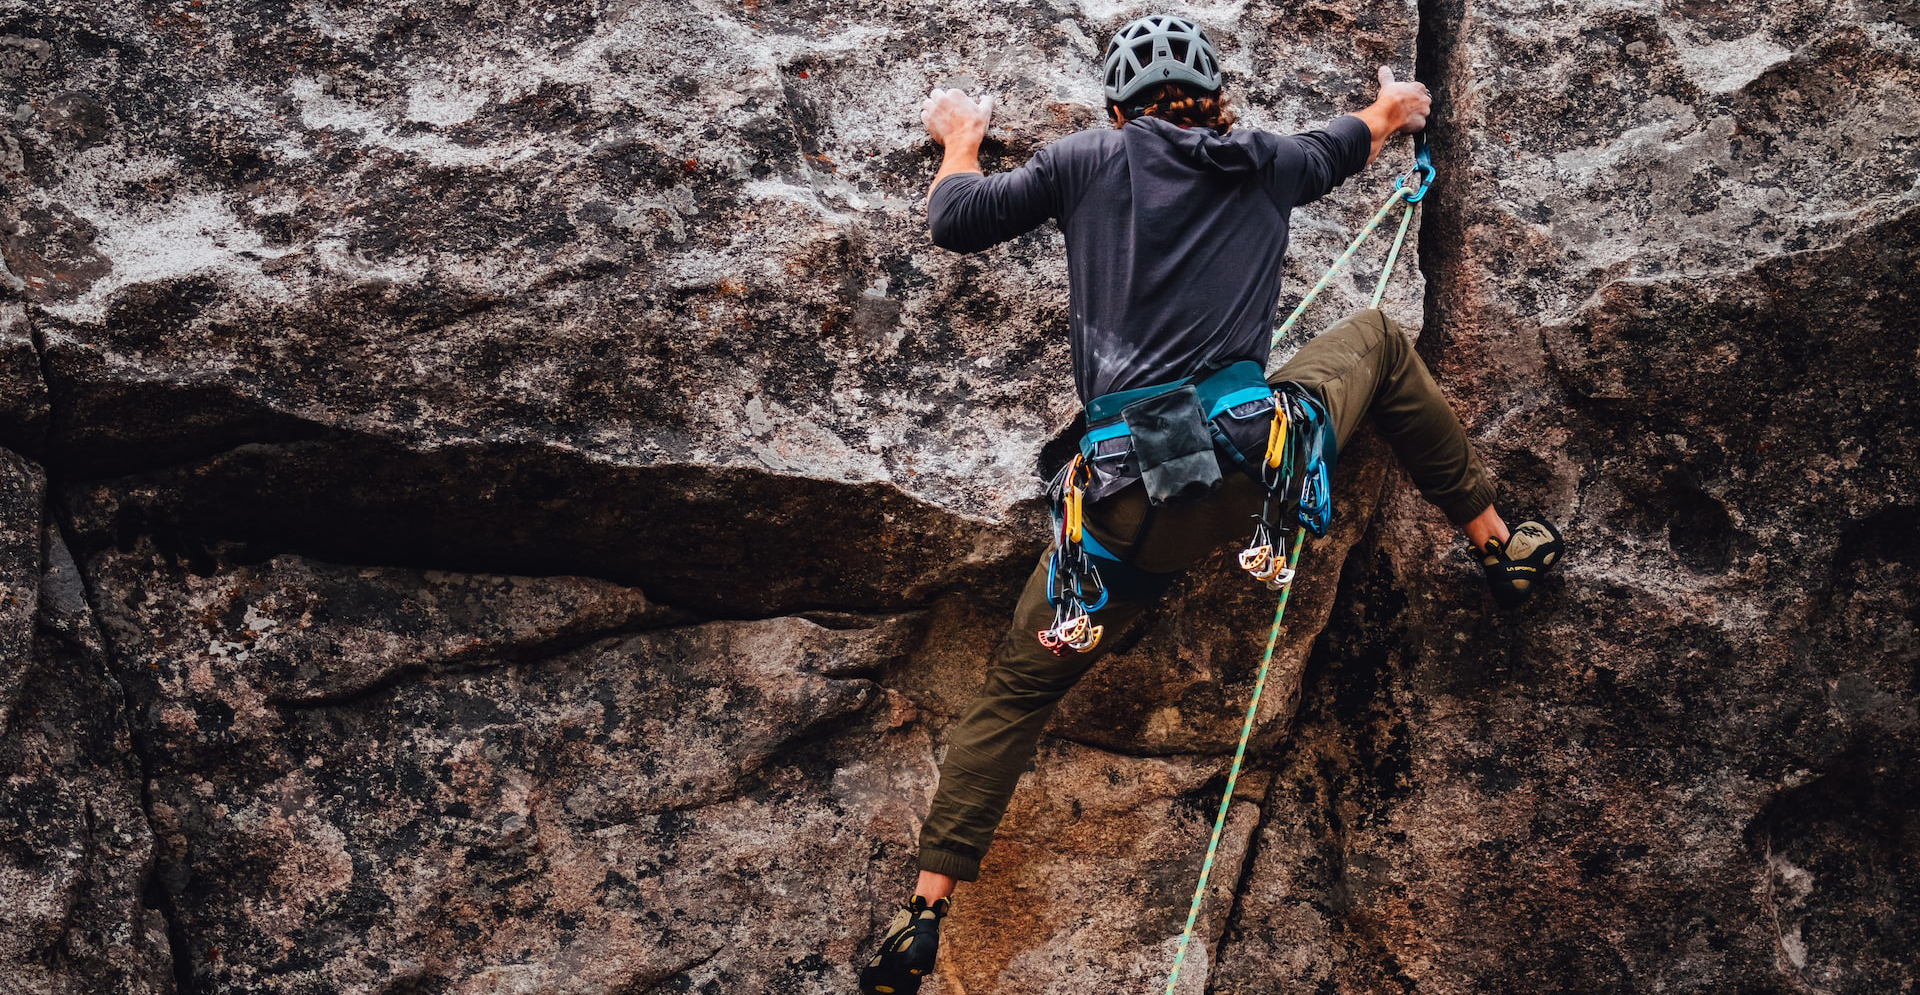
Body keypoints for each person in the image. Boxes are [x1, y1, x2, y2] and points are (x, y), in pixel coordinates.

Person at [859, 14, 1563, 994]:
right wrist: (1396, 107)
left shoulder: (1083, 161)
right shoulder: (1264, 162)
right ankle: (1500, 542)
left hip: (1114, 510)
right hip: (1246, 470)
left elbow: (955, 219)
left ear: (1119, 107)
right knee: (1376, 342)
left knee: (1015, 693)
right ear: (1212, 96)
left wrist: (961, 140)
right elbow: (1352, 138)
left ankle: (924, 908)